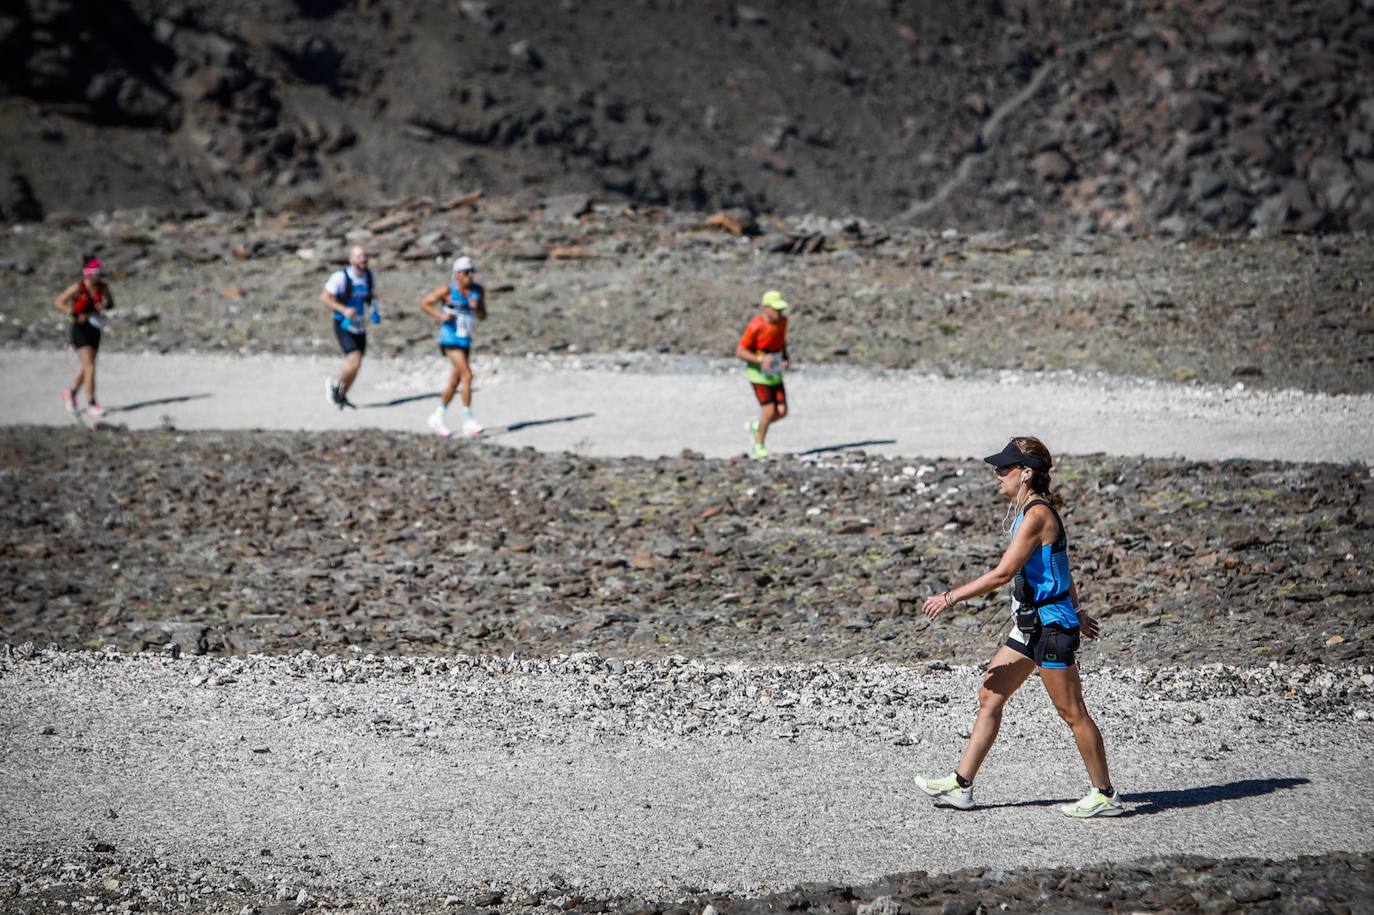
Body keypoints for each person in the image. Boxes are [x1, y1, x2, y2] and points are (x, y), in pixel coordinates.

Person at [914, 436, 1124, 818]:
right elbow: (1061, 568)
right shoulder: (1027, 512)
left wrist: (950, 598)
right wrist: (1078, 608)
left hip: (1051, 629)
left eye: (1004, 468)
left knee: (1072, 712)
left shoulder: (1037, 516)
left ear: (1025, 473)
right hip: (1032, 626)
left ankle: (1104, 793)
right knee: (990, 695)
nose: (997, 474)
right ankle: (962, 785)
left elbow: (1004, 573)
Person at [418, 255, 486, 437]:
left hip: (465, 339)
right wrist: (439, 316)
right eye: (467, 273)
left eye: (472, 272)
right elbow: (424, 303)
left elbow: (483, 315)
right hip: (449, 339)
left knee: (455, 382)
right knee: (468, 375)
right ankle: (468, 419)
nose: (471, 276)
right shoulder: (447, 290)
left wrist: (477, 307)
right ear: (457, 274)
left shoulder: (477, 291)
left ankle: (437, 416)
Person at [54, 258, 115, 418]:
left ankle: (71, 392)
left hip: (95, 326)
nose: (99, 278)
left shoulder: (102, 287)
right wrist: (73, 313)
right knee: (89, 366)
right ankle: (92, 403)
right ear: (89, 275)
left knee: (87, 365)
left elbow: (110, 303)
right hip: (80, 328)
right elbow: (59, 302)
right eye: (97, 275)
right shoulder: (77, 288)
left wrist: (104, 305)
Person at [320, 245, 378, 409]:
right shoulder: (340, 277)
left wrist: (374, 308)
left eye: (365, 255)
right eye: (359, 256)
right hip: (343, 323)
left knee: (357, 364)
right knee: (354, 358)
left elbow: (369, 296)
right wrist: (343, 309)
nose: (363, 259)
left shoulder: (369, 276)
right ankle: (335, 384)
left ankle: (342, 396)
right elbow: (325, 297)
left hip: (359, 323)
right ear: (351, 259)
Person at [735, 289, 790, 459]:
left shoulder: (783, 322)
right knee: (768, 410)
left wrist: (786, 356)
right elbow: (740, 351)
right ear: (766, 308)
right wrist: (759, 360)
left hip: (774, 372)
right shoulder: (756, 326)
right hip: (758, 375)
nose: (779, 313)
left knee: (781, 411)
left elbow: (781, 341)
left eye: (780, 310)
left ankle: (757, 426)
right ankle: (759, 446)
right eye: (775, 310)